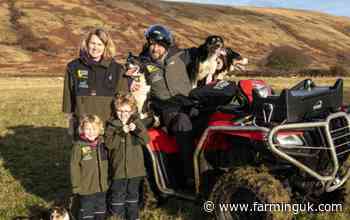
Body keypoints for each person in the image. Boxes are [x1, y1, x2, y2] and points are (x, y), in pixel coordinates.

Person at [135, 24, 195, 185]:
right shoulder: (143, 62)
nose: (154, 48)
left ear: (166, 44)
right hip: (167, 110)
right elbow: (131, 73)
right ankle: (191, 175)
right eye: (151, 44)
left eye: (158, 44)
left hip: (190, 104)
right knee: (183, 123)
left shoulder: (182, 55)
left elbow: (206, 54)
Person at [62, 28, 128, 137]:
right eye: (92, 43)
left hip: (109, 122)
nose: (95, 48)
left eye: (100, 44)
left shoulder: (117, 69)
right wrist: (70, 118)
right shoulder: (73, 66)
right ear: (86, 44)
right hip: (83, 121)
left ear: (105, 47)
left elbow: (123, 97)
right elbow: (68, 93)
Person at [105, 93, 149, 220]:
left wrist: (136, 130)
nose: (123, 114)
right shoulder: (112, 125)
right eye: (120, 110)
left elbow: (145, 139)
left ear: (133, 110)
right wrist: (120, 132)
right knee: (117, 196)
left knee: (133, 196)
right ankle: (117, 217)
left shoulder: (137, 122)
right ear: (115, 109)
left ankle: (133, 217)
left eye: (126, 111)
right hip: (118, 170)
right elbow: (110, 144)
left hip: (135, 170)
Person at [70, 115, 108, 220]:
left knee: (100, 209)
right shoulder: (78, 146)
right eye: (87, 129)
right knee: (87, 210)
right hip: (86, 187)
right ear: (82, 129)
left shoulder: (103, 144)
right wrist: (76, 185)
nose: (91, 132)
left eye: (94, 129)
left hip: (101, 186)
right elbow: (74, 167)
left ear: (99, 129)